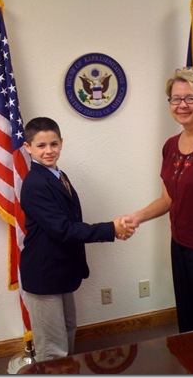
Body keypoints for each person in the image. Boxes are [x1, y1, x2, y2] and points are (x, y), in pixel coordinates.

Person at [120, 67, 193, 333]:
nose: (182, 105)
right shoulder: (171, 145)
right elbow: (168, 200)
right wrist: (135, 218)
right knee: (187, 321)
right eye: (175, 99)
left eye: (190, 98)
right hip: (181, 244)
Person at [20, 116, 136, 361]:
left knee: (67, 331)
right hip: (44, 273)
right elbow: (64, 229)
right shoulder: (35, 184)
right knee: (52, 348)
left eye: (53, 144)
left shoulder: (57, 174)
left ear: (61, 142)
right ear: (28, 147)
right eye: (41, 146)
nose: (49, 151)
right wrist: (111, 229)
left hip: (60, 270)